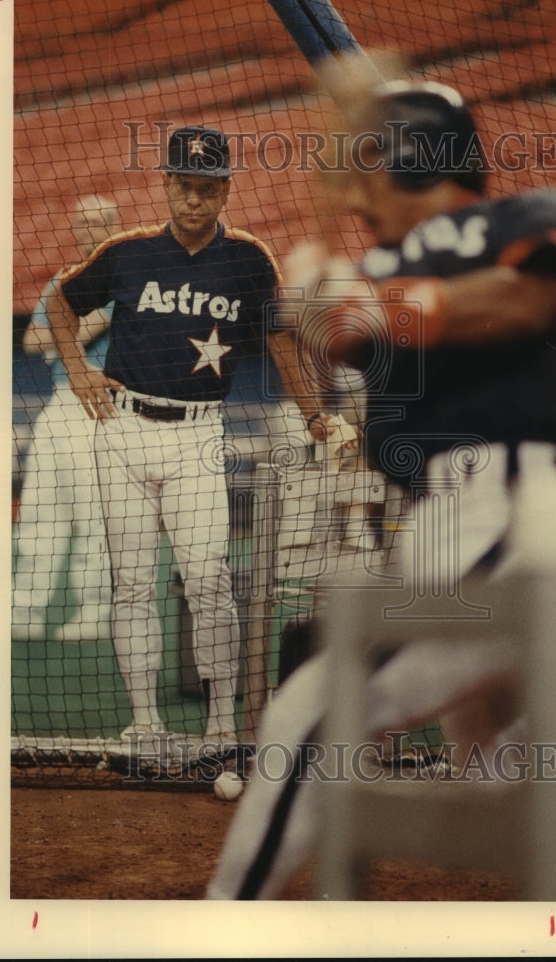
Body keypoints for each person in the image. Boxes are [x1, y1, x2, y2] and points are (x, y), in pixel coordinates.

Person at [207, 61, 556, 899]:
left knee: (311, 711)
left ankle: (224, 924)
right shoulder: (380, 272)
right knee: (500, 770)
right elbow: (347, 341)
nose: (354, 195)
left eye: (367, 169)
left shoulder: (519, 218)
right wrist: (319, 306)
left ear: (413, 161)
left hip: (520, 508)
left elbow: (526, 301)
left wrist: (369, 308)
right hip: (455, 518)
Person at [46, 126, 337, 749]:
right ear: (167, 185)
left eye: (207, 187)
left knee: (207, 577)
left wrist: (315, 415)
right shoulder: (126, 252)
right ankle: (145, 721)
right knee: (131, 582)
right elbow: (61, 304)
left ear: (226, 190)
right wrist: (77, 369)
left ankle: (221, 723)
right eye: (184, 185)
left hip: (200, 435)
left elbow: (281, 341)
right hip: (122, 428)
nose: (194, 199)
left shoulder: (250, 259)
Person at [12, 194, 120, 641]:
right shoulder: (63, 279)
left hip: (101, 404)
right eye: (81, 223)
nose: (87, 231)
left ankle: (94, 610)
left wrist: (59, 334)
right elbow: (31, 342)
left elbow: (88, 329)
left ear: (114, 226)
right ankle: (26, 608)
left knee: (95, 510)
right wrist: (64, 334)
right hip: (60, 402)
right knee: (40, 507)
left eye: (97, 223)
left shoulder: (121, 275)